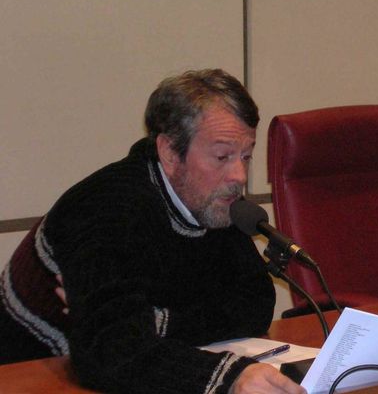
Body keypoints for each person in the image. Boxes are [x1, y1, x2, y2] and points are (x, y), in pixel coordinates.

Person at [0, 69, 306, 394]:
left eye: (246, 156)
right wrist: (228, 378)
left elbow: (254, 305)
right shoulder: (106, 210)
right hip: (26, 372)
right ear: (170, 152)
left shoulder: (214, 201)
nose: (239, 176)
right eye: (222, 156)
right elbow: (110, 352)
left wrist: (154, 322)